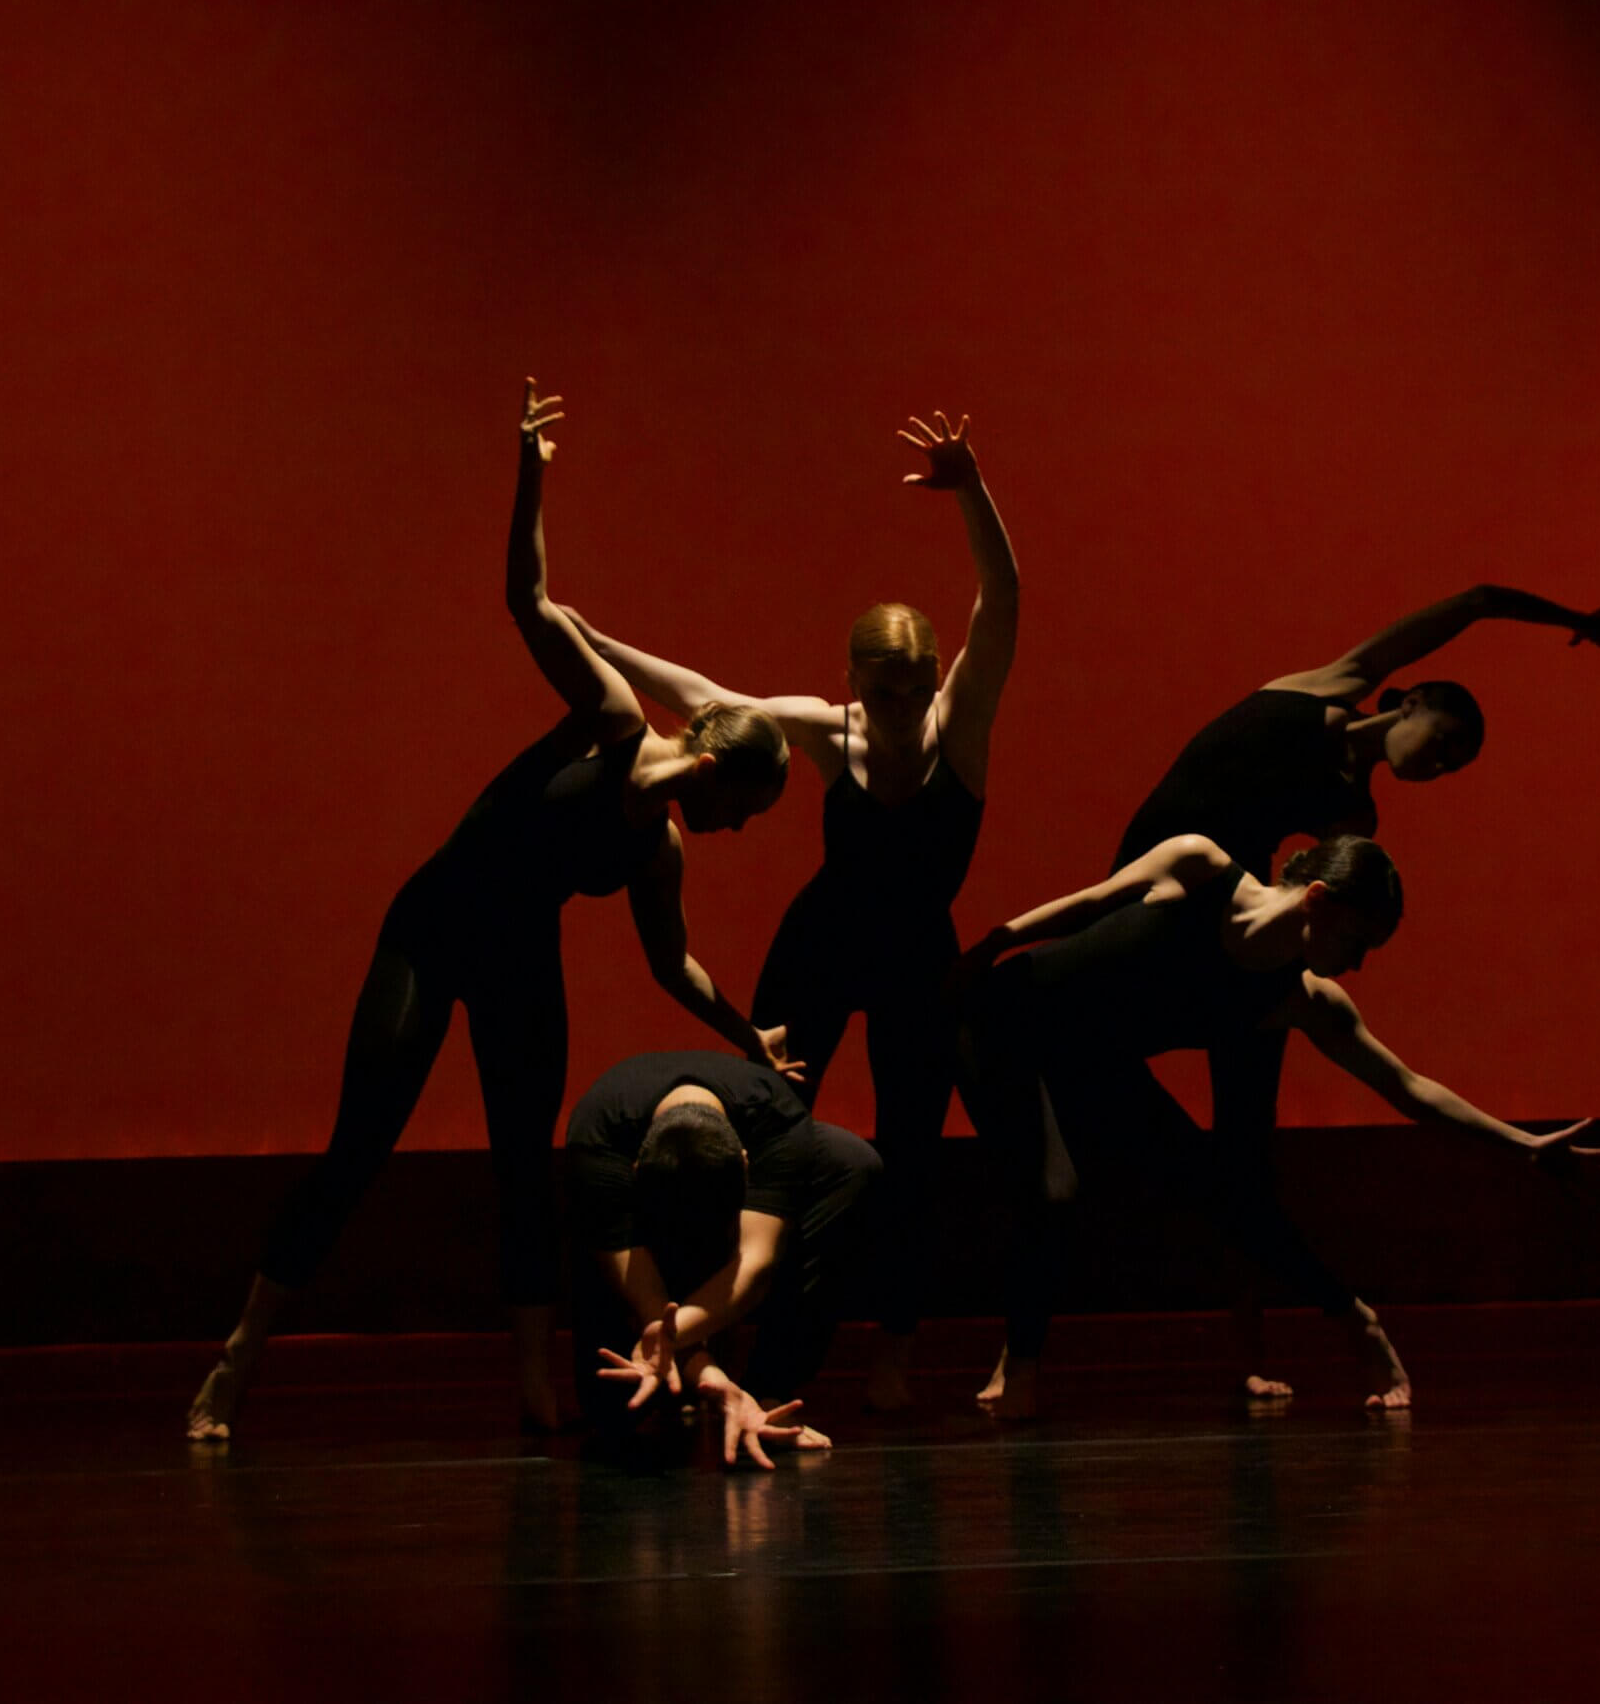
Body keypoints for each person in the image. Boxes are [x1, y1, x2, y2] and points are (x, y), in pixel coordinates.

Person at [186, 382, 798, 1443]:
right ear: (708, 763)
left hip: (519, 955)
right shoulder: (608, 721)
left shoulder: (655, 850)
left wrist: (747, 1033)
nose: (736, 833)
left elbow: (672, 967)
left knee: (526, 1164)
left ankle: (531, 1383)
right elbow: (529, 600)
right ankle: (235, 1364)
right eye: (741, 811)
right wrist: (530, 476)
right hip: (431, 930)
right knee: (359, 1148)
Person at [569, 410, 1019, 1411]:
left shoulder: (963, 730)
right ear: (852, 683)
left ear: (935, 680)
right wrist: (591, 639)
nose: (903, 709)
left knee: (908, 1157)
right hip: (820, 944)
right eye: (884, 691)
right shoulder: (831, 732)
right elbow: (705, 696)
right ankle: (721, 1328)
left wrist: (971, 490)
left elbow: (1002, 602)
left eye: (917, 689)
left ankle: (893, 1354)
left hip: (916, 962)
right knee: (764, 1126)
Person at [1113, 584, 1600, 1396]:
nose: (1440, 764)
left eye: (1453, 765)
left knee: (1246, 1150)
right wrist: (1572, 620)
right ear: (1410, 699)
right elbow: (1478, 600)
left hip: (1230, 935)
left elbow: (1322, 902)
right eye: (1446, 740)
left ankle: (1254, 1349)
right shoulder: (1331, 686)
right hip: (1145, 894)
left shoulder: (1353, 819)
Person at [956, 831, 1600, 1420]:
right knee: (1052, 1189)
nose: (1357, 963)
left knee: (1221, 1191)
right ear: (1319, 899)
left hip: (1090, 1058)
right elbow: (1092, 902)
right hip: (1001, 1020)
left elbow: (1408, 1088)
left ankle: (1356, 1319)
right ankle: (1019, 1371)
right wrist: (993, 942)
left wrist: (1526, 1146)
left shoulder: (1299, 998)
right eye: (1357, 942)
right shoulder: (1200, 865)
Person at [566, 1050, 880, 1467]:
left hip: (738, 1182)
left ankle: (771, 1388)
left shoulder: (777, 1119)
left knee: (852, 1162)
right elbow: (647, 1298)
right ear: (636, 1170)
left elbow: (755, 1268)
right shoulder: (598, 1139)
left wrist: (693, 1357)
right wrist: (712, 1377)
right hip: (641, 1228)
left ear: (747, 1165)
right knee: (614, 1409)